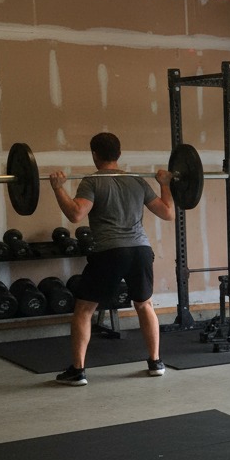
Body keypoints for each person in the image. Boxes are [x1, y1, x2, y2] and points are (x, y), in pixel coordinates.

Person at [49, 132, 175, 385]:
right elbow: (168, 212)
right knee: (144, 304)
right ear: (119, 154)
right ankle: (155, 363)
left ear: (94, 154)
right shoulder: (137, 180)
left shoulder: (92, 181)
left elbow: (76, 214)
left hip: (110, 251)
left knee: (84, 309)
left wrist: (58, 188)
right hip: (140, 250)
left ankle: (78, 371)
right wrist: (165, 183)